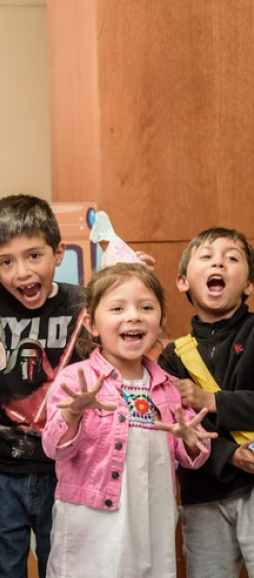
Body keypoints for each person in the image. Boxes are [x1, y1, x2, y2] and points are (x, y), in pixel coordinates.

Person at [42, 263, 214, 578]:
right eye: (118, 307)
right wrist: (73, 412)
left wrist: (193, 441)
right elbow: (55, 449)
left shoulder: (168, 386)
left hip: (151, 517)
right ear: (92, 324)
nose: (133, 315)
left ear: (161, 320)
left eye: (145, 307)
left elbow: (193, 457)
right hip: (91, 523)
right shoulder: (76, 379)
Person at [0, 194, 85, 578]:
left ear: (58, 253)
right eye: (6, 262)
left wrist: (129, 281)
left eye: (34, 256)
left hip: (67, 468)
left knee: (68, 569)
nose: (22, 272)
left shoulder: (85, 304)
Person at [157, 227, 254, 578]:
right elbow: (174, 426)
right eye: (207, 256)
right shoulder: (171, 357)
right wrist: (229, 454)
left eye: (232, 257)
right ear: (183, 281)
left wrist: (211, 400)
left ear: (249, 286)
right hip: (204, 493)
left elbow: (202, 406)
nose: (219, 263)